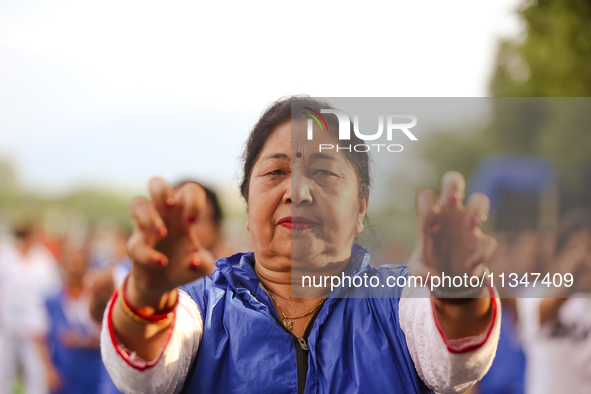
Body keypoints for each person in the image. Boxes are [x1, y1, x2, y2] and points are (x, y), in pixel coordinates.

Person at [101, 96, 501, 394]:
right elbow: (145, 374)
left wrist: (457, 294)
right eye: (276, 171)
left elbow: (456, 362)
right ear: (247, 201)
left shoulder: (399, 302)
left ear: (361, 207)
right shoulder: (198, 306)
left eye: (324, 172)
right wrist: (147, 299)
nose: (296, 190)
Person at [517, 208, 591, 394]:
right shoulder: (536, 293)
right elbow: (540, 316)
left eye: (589, 251)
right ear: (558, 256)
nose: (582, 260)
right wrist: (568, 283)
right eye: (573, 251)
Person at [0, 220, 62, 394]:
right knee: (3, 372)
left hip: (35, 325)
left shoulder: (44, 259)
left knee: (36, 374)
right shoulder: (5, 256)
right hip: (6, 324)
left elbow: (53, 291)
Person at [45, 241, 103, 394]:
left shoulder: (96, 299)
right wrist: (48, 369)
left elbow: (107, 336)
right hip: (63, 372)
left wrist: (81, 340)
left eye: (79, 262)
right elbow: (40, 336)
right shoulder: (52, 300)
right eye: (71, 262)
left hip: (93, 371)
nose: (75, 268)